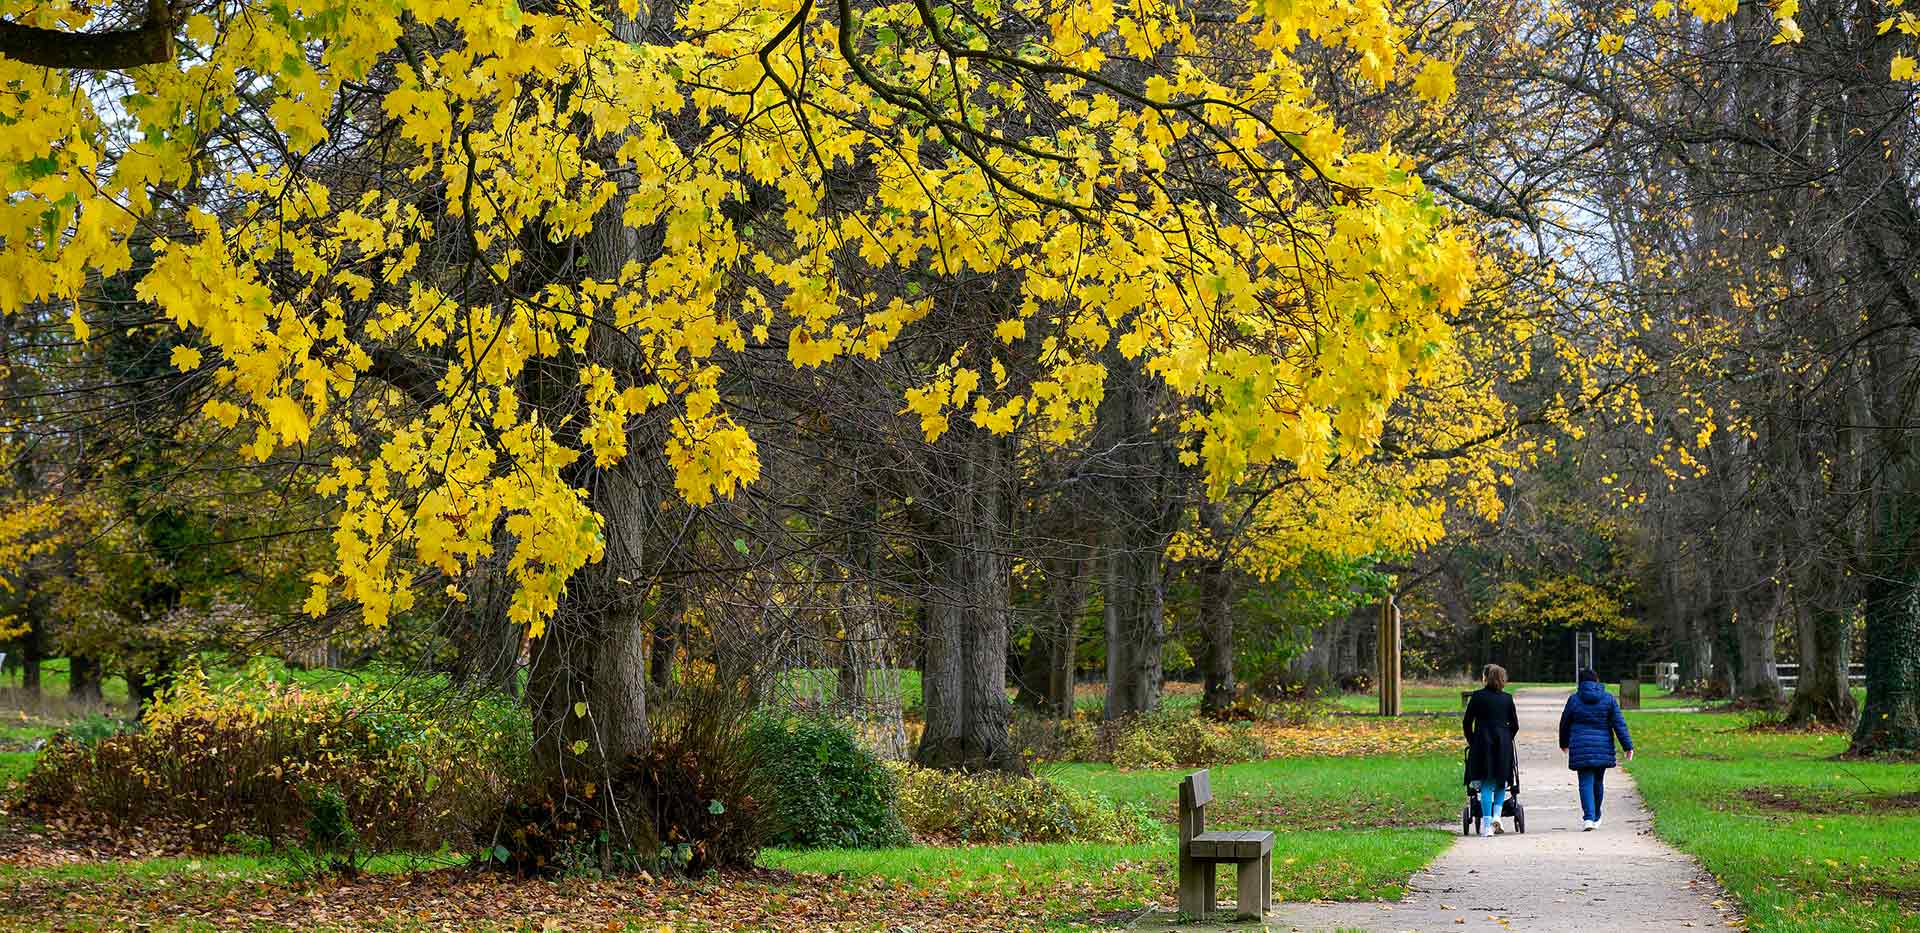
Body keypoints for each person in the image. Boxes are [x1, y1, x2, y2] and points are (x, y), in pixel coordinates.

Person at [1559, 668, 1634, 831]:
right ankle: (1596, 815)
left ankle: (1588, 818)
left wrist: (1564, 743)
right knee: (1598, 781)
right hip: (1602, 746)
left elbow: (1564, 723)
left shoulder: (1574, 700)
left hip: (1581, 746)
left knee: (1585, 782)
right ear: (1597, 681)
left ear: (1581, 682)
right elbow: (1619, 723)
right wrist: (1627, 746)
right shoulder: (1608, 699)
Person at [1462, 663, 1519, 837]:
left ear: (1486, 678)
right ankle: (1497, 816)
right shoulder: (1507, 699)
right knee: (1501, 781)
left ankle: (1487, 826)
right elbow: (1515, 725)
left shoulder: (1477, 697)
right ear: (1503, 679)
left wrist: (1473, 740)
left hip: (1482, 742)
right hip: (1502, 743)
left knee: (1486, 783)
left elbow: (1467, 722)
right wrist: (1506, 738)